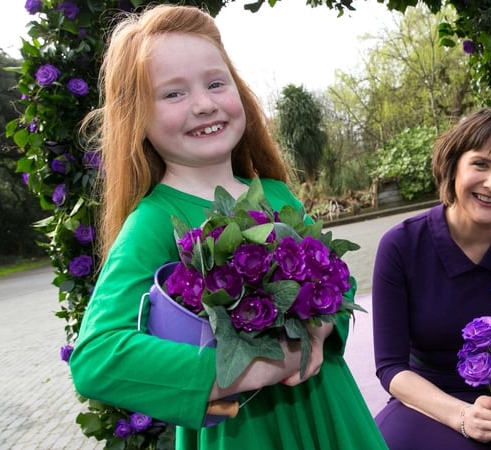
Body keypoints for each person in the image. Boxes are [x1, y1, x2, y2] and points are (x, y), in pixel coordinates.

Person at [68, 5, 386, 449]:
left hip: (331, 410)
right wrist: (254, 368)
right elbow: (97, 358)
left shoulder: (275, 193)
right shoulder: (154, 222)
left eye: (216, 83)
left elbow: (339, 280)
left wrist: (319, 332)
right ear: (135, 116)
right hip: (245, 433)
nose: (204, 104)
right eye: (173, 93)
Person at [371, 107, 491, 450]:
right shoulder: (401, 246)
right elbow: (391, 368)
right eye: (480, 164)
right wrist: (463, 417)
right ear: (453, 166)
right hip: (423, 399)